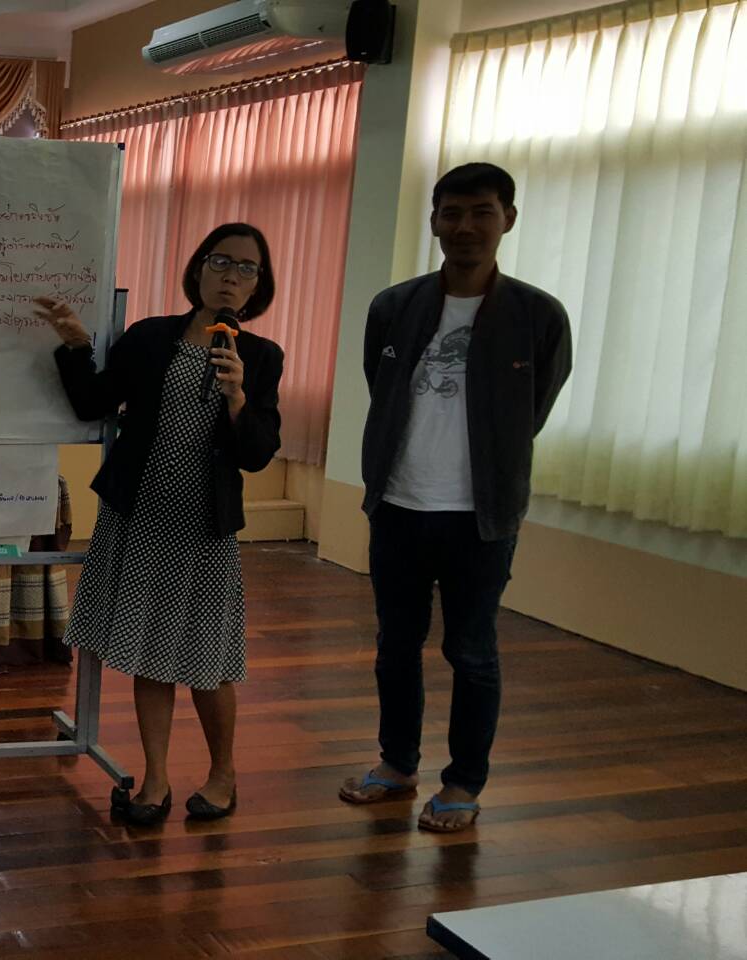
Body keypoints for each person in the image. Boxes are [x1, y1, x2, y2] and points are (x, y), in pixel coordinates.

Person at [339, 162, 572, 832]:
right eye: (452, 213)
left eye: (482, 212)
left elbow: (533, 407)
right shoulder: (394, 307)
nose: (465, 227)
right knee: (396, 645)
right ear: (435, 221)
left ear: (508, 220)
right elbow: (383, 390)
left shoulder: (537, 315)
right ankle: (397, 763)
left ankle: (465, 781)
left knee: (471, 652)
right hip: (399, 506)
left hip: (481, 518)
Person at [34, 223, 284, 826]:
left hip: (206, 526)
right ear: (198, 269)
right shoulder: (149, 337)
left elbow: (257, 453)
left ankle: (223, 775)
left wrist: (238, 398)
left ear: (258, 286)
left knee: (206, 658)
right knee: (151, 650)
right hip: (140, 516)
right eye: (220, 262)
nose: (231, 276)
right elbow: (93, 401)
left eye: (246, 268)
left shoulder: (260, 357)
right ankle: (155, 779)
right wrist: (75, 344)